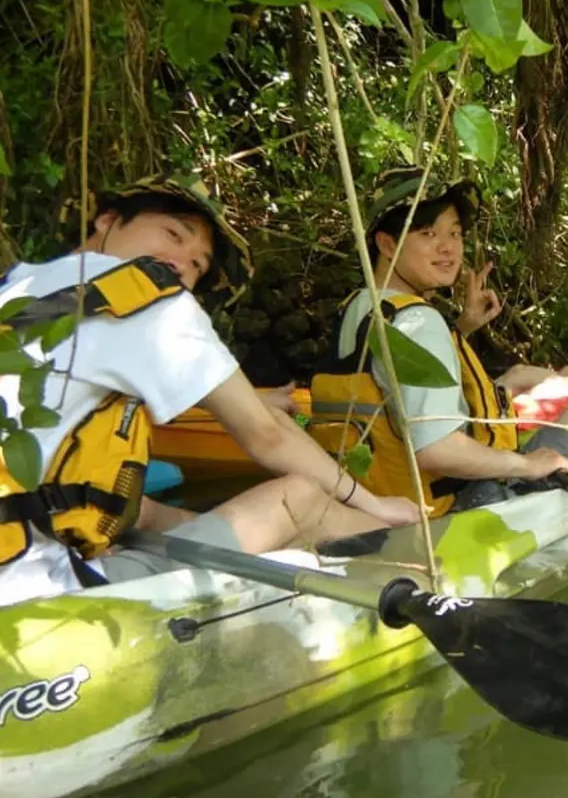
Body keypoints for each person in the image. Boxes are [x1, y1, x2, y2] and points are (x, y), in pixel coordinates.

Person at [0, 175, 420, 608]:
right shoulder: (144, 293)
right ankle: (421, 570)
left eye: (198, 266)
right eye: (173, 234)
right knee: (301, 498)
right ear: (108, 219)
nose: (182, 263)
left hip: (25, 553)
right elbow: (267, 436)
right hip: (35, 597)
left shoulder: (18, 288)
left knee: (144, 510)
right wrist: (375, 503)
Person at [309, 167, 568, 518]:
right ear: (387, 243)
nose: (449, 248)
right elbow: (435, 450)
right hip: (452, 506)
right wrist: (526, 465)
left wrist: (463, 326)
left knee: (515, 377)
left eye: (455, 233)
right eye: (428, 233)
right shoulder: (419, 321)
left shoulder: (358, 306)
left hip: (375, 496)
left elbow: (389, 379)